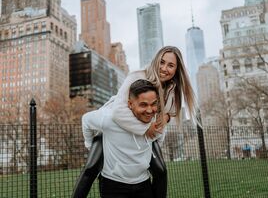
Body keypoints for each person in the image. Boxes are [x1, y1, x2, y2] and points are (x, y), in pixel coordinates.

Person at [72, 46, 197, 197]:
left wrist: (166, 118)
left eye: (170, 65)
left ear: (177, 70)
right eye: (162, 62)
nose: (164, 68)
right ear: (156, 61)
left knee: (160, 170)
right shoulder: (137, 76)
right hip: (115, 122)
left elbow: (168, 114)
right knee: (91, 167)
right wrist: (144, 130)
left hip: (145, 128)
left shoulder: (171, 89)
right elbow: (118, 111)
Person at [83, 79, 165, 198]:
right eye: (143, 104)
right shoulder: (109, 118)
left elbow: (159, 139)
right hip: (113, 186)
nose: (149, 110)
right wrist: (89, 145)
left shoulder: (155, 122)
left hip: (143, 183)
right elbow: (86, 119)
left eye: (153, 104)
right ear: (130, 104)